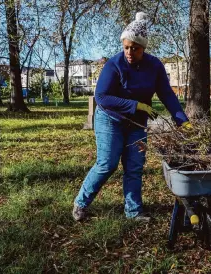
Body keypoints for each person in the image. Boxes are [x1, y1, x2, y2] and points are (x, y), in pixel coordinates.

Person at [72, 12, 191, 222]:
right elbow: (101, 96)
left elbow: (167, 94)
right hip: (110, 119)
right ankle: (81, 203)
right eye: (126, 47)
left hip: (137, 123)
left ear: (143, 48)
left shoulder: (154, 66)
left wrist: (182, 119)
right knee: (107, 163)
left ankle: (133, 211)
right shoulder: (114, 64)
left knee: (134, 165)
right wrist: (135, 105)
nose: (129, 52)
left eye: (134, 48)